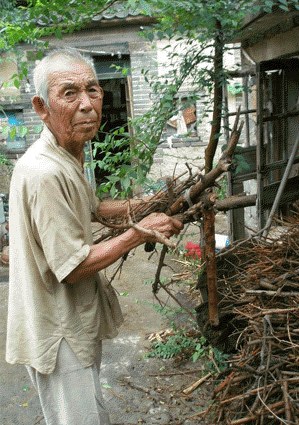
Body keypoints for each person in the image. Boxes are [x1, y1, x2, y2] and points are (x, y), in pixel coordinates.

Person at [5, 48, 183, 425]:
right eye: (69, 93)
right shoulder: (44, 172)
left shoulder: (67, 154)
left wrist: (150, 202)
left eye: (93, 90)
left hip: (70, 321)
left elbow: (93, 207)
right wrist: (140, 233)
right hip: (59, 331)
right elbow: (72, 267)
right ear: (41, 106)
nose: (87, 104)